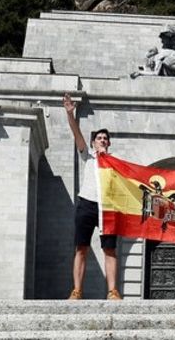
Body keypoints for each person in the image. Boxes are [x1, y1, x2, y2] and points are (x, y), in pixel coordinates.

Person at [63, 92, 120, 300]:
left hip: (108, 207)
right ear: (94, 143)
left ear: (109, 144)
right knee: (81, 248)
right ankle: (77, 290)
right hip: (86, 204)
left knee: (110, 250)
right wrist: (70, 114)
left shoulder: (116, 163)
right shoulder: (87, 155)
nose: (103, 141)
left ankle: (113, 291)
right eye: (99, 138)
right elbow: (76, 134)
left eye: (105, 139)